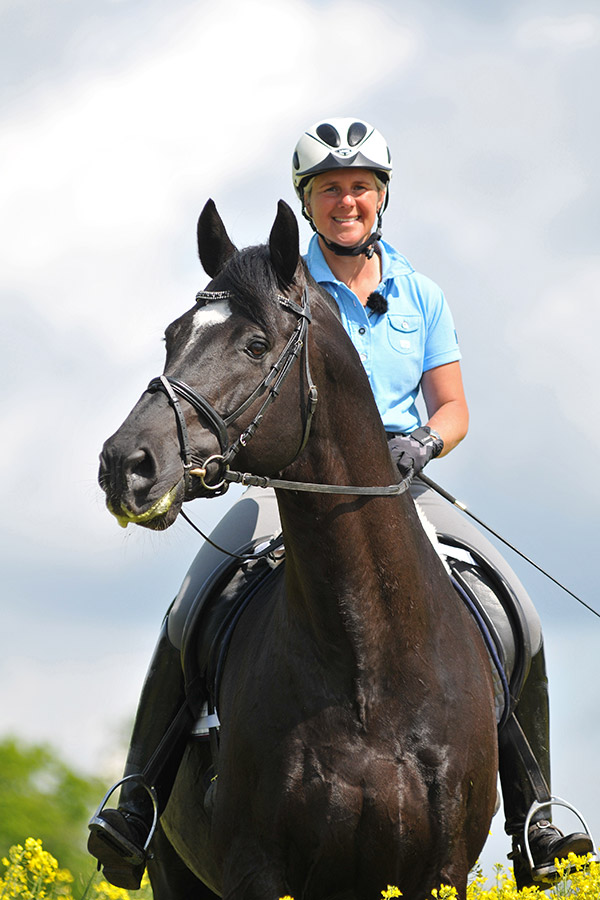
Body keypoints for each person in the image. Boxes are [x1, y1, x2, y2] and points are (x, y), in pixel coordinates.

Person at [88, 117, 595, 891]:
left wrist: (424, 442)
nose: (346, 200)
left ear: (380, 197)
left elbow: (454, 406)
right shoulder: (280, 290)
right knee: (192, 603)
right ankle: (139, 801)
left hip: (401, 481)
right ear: (308, 201)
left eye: (360, 186)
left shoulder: (419, 295)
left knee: (512, 607)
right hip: (288, 485)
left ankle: (537, 815)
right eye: (330, 188)